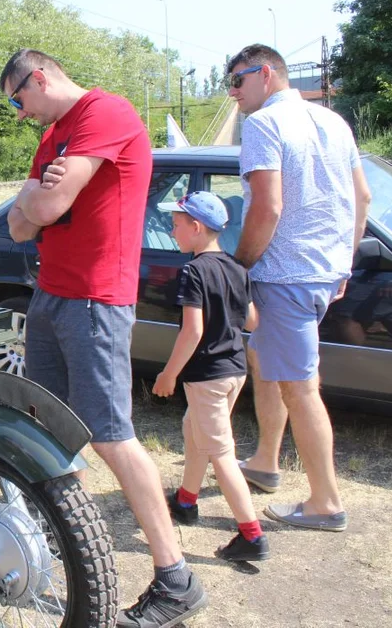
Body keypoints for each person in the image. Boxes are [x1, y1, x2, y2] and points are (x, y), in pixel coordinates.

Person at [2, 48, 207, 628]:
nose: (21, 114)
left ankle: (175, 579)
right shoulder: (54, 137)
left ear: (38, 78)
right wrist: (35, 197)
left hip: (95, 299)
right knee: (46, 428)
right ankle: (69, 535)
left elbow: (50, 203)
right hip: (51, 295)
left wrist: (39, 198)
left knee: (112, 437)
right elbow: (21, 222)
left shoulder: (105, 112)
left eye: (19, 99)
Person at [228, 44, 372, 532]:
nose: (232, 92)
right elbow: (363, 196)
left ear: (266, 74)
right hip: (321, 273)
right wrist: (343, 263)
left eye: (238, 80)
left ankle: (325, 503)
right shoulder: (334, 122)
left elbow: (266, 208)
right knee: (267, 365)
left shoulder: (263, 125)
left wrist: (239, 266)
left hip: (283, 275)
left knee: (300, 388)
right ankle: (266, 462)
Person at [153, 191, 269, 562]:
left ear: (196, 227)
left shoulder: (192, 271)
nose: (173, 232)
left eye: (176, 225)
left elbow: (192, 332)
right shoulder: (236, 267)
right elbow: (251, 321)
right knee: (194, 429)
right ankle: (186, 500)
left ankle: (251, 535)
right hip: (234, 371)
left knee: (221, 453)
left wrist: (169, 374)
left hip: (206, 377)